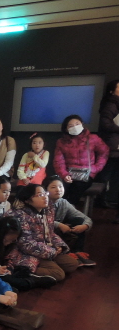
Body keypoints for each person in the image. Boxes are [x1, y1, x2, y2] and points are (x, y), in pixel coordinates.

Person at [4, 184, 80, 282]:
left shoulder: (47, 211)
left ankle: (44, 264)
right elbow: (26, 244)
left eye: (45, 193)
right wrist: (51, 252)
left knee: (72, 264)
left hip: (43, 249)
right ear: (27, 200)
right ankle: (24, 270)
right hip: (23, 253)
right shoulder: (19, 215)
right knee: (58, 274)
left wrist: (58, 245)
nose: (45, 197)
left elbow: (50, 233)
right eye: (40, 195)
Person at [0, 217, 57, 290]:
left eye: (12, 241)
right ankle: (31, 281)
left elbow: (10, 257)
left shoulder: (10, 244)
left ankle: (27, 277)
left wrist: (9, 268)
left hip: (0, 268)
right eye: (6, 240)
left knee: (19, 270)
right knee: (7, 281)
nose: (8, 243)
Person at [54, 114, 109, 206]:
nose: (75, 127)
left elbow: (104, 152)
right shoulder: (61, 142)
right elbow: (58, 161)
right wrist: (64, 174)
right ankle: (59, 211)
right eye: (71, 126)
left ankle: (67, 211)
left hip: (87, 174)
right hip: (69, 173)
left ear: (82, 124)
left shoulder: (92, 138)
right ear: (66, 129)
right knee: (60, 188)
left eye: (77, 124)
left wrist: (96, 168)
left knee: (76, 188)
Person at [44, 175, 94, 265]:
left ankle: (78, 252)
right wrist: (59, 225)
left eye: (60, 186)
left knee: (79, 221)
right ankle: (66, 253)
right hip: (44, 233)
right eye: (53, 187)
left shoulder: (63, 202)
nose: (58, 190)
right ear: (46, 190)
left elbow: (86, 218)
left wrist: (85, 226)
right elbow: (39, 220)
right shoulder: (42, 201)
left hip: (58, 232)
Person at [97, 80, 119, 218]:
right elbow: (105, 124)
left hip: (114, 146)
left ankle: (105, 200)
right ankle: (101, 200)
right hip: (111, 147)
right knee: (106, 175)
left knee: (110, 175)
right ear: (112, 91)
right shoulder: (111, 104)